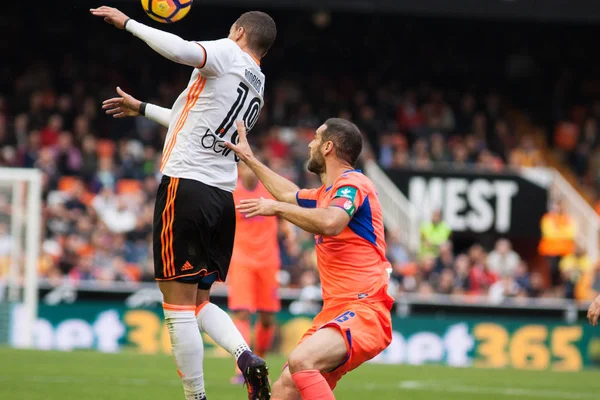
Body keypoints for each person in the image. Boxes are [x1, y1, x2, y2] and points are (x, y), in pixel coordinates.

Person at [90, 6, 276, 400]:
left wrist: (129, 24)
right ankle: (245, 358)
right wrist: (141, 108)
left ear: (240, 31)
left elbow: (180, 50)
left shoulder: (228, 52)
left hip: (186, 188)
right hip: (221, 198)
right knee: (198, 301)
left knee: (176, 306)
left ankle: (196, 397)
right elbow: (188, 119)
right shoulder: (258, 81)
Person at [226, 118, 394, 400]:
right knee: (283, 389)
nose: (310, 144)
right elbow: (285, 192)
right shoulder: (324, 194)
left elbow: (331, 222)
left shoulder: (353, 183)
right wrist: (249, 159)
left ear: (328, 147)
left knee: (302, 360)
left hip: (364, 307)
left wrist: (276, 208)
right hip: (335, 312)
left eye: (316, 138)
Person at [228, 161, 294, 384]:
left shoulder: (269, 192)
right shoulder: (231, 191)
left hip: (268, 261)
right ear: (239, 170)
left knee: (267, 318)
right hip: (241, 260)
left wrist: (289, 233)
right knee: (243, 313)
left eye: (253, 167)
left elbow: (284, 215)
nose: (250, 172)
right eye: (246, 167)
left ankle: (259, 363)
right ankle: (242, 369)